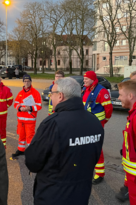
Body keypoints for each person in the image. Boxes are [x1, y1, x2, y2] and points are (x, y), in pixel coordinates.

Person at [25, 77, 104, 205]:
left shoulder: (52, 123)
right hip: (82, 193)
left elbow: (33, 162)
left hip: (53, 195)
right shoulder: (95, 122)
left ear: (60, 96)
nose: (50, 97)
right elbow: (94, 155)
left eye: (52, 94)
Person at [82, 70, 113, 184]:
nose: (84, 81)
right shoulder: (86, 89)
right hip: (85, 123)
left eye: (86, 79)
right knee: (86, 147)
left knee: (96, 149)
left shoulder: (102, 91)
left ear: (92, 79)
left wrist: (104, 121)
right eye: (84, 79)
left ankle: (100, 173)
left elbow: (108, 109)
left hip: (96, 125)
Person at [12, 74, 42, 159]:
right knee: (21, 135)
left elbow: (39, 105)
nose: (26, 83)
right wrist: (20, 108)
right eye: (25, 81)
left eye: (28, 81)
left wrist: (30, 108)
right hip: (21, 120)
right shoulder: (20, 93)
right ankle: (21, 150)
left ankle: (32, 152)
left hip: (30, 120)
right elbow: (16, 103)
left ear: (30, 81)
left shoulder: (35, 93)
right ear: (23, 82)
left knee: (30, 137)